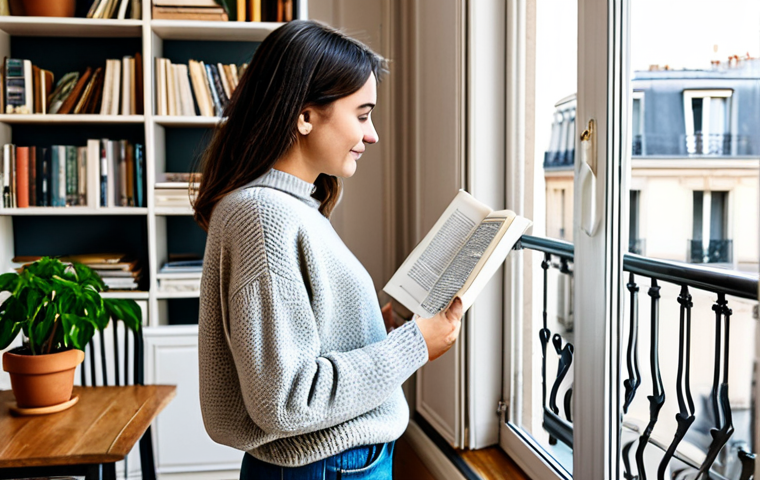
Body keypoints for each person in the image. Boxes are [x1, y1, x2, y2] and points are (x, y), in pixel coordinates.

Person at [193, 19, 463, 480]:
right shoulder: (263, 216)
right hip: (324, 468)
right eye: (362, 115)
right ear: (304, 115)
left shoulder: (294, 206)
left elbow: (298, 349)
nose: (372, 134)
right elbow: (285, 401)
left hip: (334, 464)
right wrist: (413, 345)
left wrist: (371, 329)